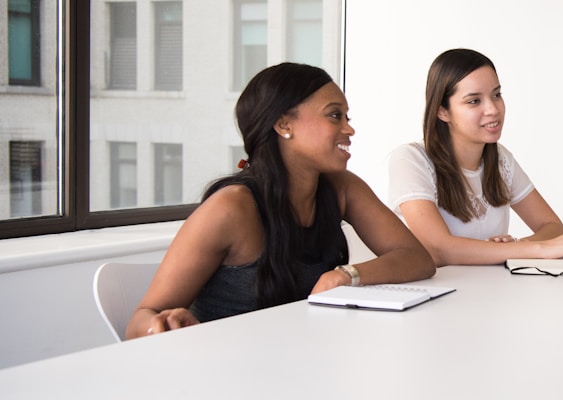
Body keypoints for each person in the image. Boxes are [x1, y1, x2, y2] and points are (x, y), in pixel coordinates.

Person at [126, 63, 436, 339]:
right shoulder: (231, 208)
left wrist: (345, 275)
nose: (349, 128)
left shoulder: (342, 188)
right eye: (334, 115)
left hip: (299, 361)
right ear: (284, 124)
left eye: (346, 116)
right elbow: (139, 322)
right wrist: (161, 325)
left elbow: (416, 258)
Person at [387, 48, 563, 266]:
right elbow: (439, 249)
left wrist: (511, 249)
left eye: (496, 95)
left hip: (491, 292)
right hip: (439, 295)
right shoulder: (410, 160)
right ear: (442, 111)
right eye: (474, 101)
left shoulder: (501, 159)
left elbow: (552, 227)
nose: (493, 109)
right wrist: (524, 249)